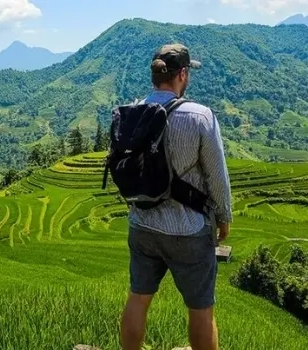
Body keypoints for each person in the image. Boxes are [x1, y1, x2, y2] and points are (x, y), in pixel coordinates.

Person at [118, 43, 233, 350]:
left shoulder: (131, 111)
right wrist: (224, 217)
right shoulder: (200, 116)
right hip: (188, 229)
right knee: (201, 309)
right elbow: (217, 177)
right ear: (183, 74)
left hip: (141, 223)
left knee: (138, 299)